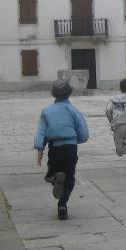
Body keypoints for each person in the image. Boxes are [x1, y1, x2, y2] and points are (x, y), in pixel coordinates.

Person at [34, 80, 89, 220]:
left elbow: (40, 131)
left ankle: (54, 176)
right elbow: (83, 133)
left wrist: (40, 149)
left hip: (55, 146)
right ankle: (62, 205)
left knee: (54, 169)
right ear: (69, 93)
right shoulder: (74, 111)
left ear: (53, 94)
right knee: (70, 176)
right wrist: (75, 140)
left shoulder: (46, 111)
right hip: (71, 147)